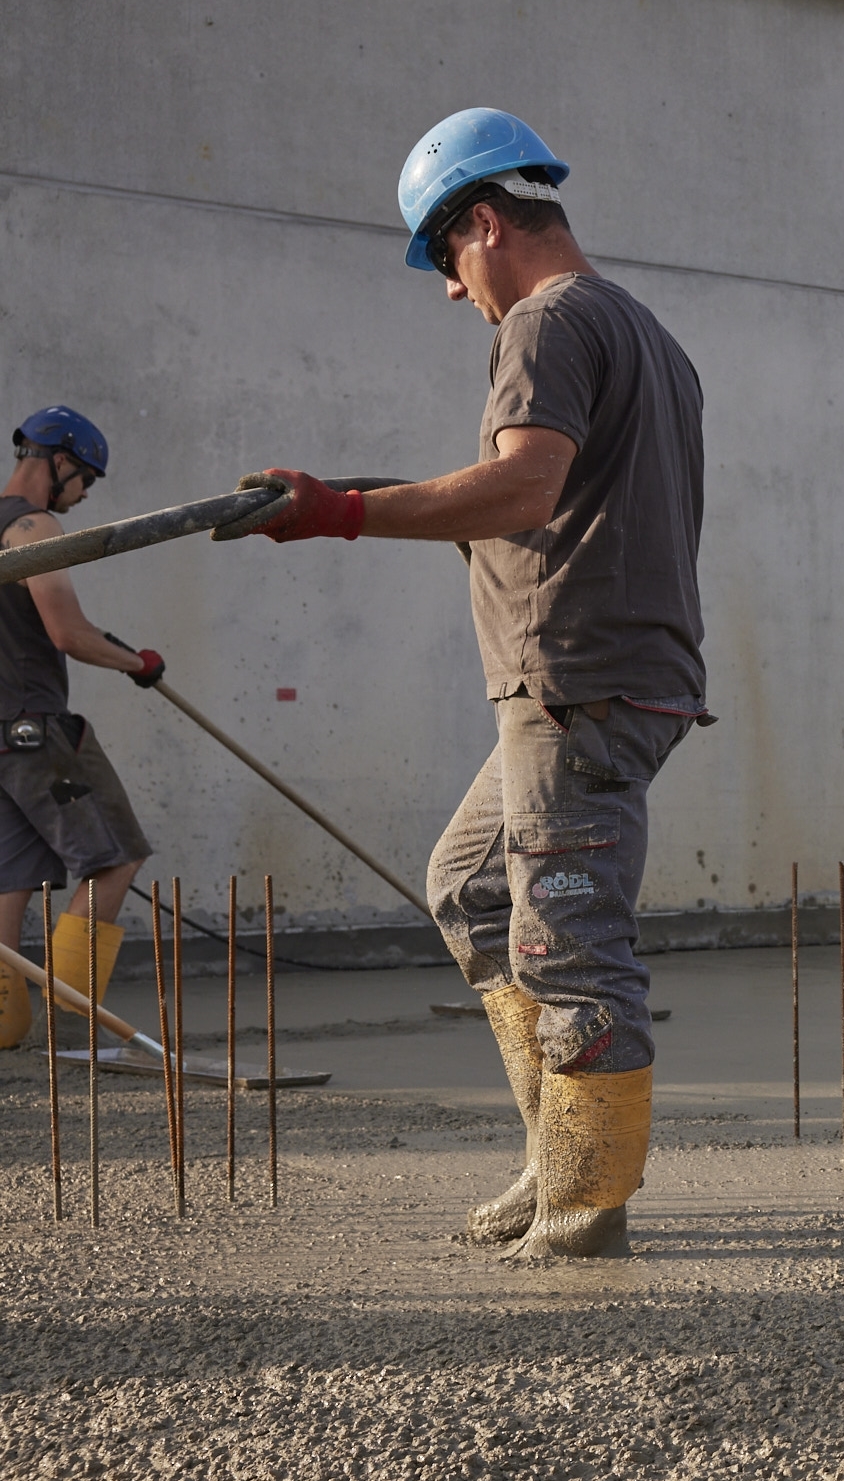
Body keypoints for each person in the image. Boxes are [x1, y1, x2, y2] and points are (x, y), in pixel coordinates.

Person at [233, 108, 707, 1260]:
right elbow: (554, 502)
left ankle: (587, 1208)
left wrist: (344, 516)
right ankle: (557, 1157)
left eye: (446, 258)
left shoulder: (545, 322)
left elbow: (524, 490)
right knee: (467, 885)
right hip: (602, 679)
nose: (452, 290)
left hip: (578, 686)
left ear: (486, 223)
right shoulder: (645, 333)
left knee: (571, 945)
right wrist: (375, 495)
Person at [0, 408, 163, 1046]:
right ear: (60, 460)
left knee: (10, 880)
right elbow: (68, 633)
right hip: (33, 730)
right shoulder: (35, 526)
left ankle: (6, 1026)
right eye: (86, 477)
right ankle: (74, 1019)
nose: (86, 493)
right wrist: (138, 663)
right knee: (116, 855)